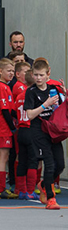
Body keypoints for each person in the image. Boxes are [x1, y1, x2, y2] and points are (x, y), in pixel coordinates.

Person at [24, 59, 65, 210]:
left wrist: (64, 96)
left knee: (60, 164)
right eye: (36, 75)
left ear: (48, 74)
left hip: (53, 130)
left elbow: (61, 109)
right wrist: (44, 105)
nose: (38, 78)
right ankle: (50, 198)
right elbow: (29, 115)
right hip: (38, 131)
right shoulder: (31, 92)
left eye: (41, 75)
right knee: (49, 163)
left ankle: (44, 183)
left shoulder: (54, 89)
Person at [14, 70, 39, 200]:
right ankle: (30, 190)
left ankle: (22, 190)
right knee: (33, 161)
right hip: (30, 129)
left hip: (21, 129)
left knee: (22, 161)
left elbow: (14, 111)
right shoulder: (34, 95)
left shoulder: (19, 96)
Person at [0, 58, 17, 199]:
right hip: (3, 129)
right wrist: (13, 128)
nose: (11, 73)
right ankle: (1, 189)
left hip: (4, 128)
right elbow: (5, 111)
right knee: (3, 158)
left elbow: (11, 110)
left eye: (13, 71)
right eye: (8, 71)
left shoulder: (6, 86)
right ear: (0, 71)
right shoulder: (2, 87)